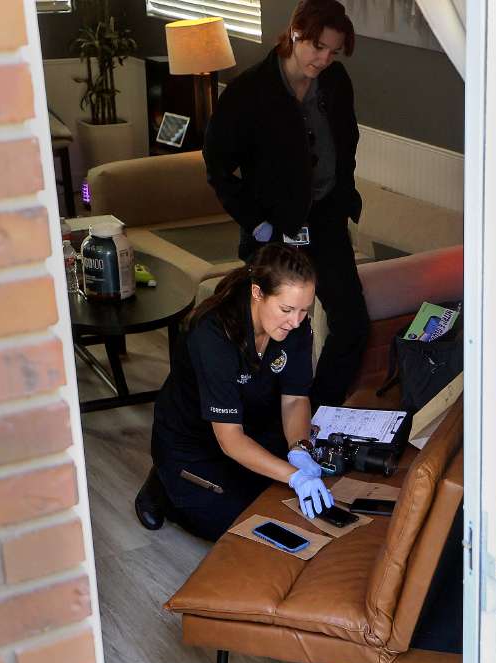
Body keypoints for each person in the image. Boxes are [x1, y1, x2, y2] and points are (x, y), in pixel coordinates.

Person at [203, 0, 368, 408]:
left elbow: (347, 143)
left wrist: (344, 195)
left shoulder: (336, 81)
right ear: (295, 31)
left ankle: (317, 414)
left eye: (333, 51)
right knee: (277, 330)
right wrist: (255, 222)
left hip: (326, 220)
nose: (324, 59)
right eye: (317, 47)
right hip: (274, 229)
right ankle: (257, 419)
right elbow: (218, 166)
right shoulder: (249, 91)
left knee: (352, 325)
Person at [134, 245, 334, 540]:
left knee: (283, 503)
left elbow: (294, 398)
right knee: (242, 526)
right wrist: (294, 476)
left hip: (252, 424)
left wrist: (299, 449)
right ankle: (164, 485)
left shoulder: (294, 326)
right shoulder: (212, 335)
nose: (296, 321)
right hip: (195, 443)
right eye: (287, 309)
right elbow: (230, 440)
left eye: (305, 310)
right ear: (257, 294)